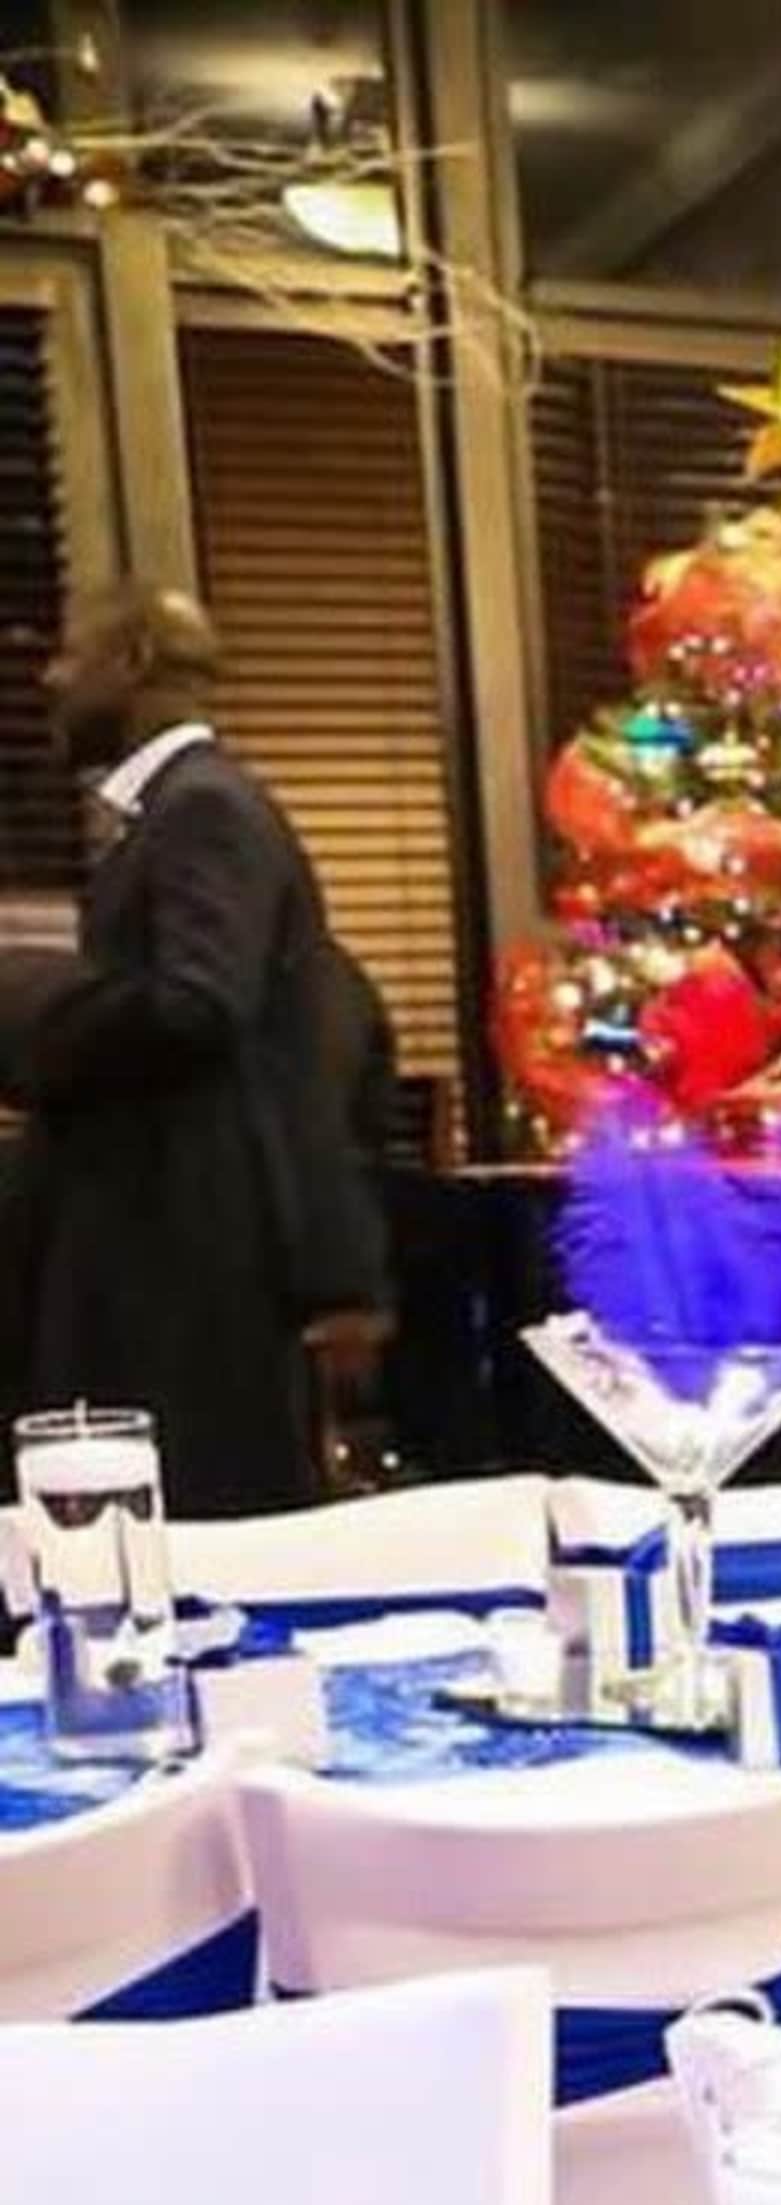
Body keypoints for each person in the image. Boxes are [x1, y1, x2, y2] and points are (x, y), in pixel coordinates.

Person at [0, 582, 391, 1513]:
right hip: (171, 1243)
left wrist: (18, 996)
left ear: (132, 664)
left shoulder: (204, 808)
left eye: (70, 653)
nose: (50, 677)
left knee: (191, 1526)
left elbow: (197, 1003)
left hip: (185, 1263)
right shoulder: (183, 810)